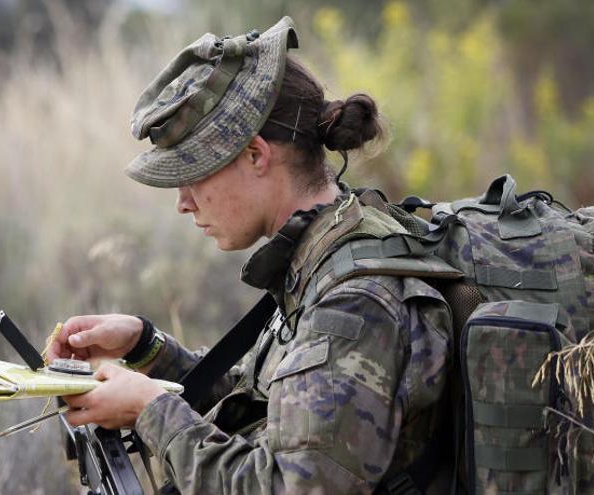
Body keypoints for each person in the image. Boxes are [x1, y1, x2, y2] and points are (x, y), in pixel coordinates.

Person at [47, 16, 453, 494]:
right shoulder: (327, 245)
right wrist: (145, 349)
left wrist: (150, 411)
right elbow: (265, 402)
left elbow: (290, 487)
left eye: (193, 173)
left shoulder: (353, 299)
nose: (182, 201)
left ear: (256, 156)